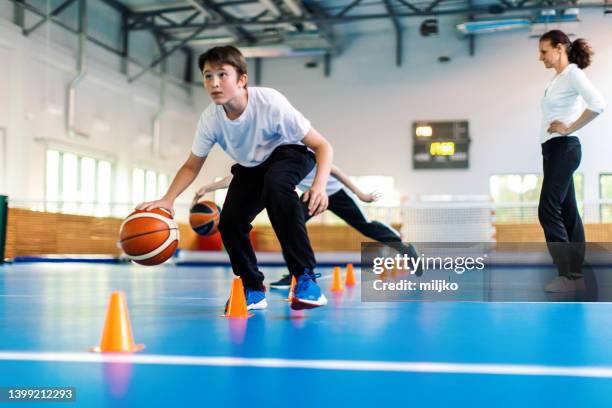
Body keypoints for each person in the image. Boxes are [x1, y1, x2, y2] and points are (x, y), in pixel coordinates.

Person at [138, 46, 333, 310]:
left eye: (222, 74)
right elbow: (191, 165)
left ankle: (306, 277)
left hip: (291, 152)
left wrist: (319, 186)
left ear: (242, 79)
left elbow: (322, 145)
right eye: (208, 76)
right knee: (229, 222)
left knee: (277, 187)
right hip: (252, 165)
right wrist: (168, 200)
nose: (214, 83)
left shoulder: (270, 102)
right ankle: (252, 287)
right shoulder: (211, 120)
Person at [193, 165, 422, 289]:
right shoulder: (274, 157)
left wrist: (360, 193)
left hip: (334, 194)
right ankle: (298, 273)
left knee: (365, 226)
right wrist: (209, 187)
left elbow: (336, 171)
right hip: (312, 196)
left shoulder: (305, 149)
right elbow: (239, 177)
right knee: (289, 226)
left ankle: (405, 248)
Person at [537, 30, 605, 292]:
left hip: (564, 148)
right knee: (568, 213)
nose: (541, 57)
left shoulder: (573, 74)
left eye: (544, 51)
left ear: (559, 48)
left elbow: (598, 104)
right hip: (552, 150)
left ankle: (566, 275)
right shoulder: (558, 79)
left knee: (547, 209)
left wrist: (570, 127)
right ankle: (576, 277)